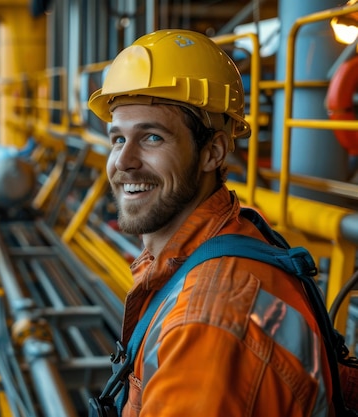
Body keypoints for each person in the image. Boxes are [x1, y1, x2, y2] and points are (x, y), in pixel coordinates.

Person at [87, 29, 335, 417]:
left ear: (212, 152)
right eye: (118, 139)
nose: (123, 161)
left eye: (151, 137)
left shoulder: (205, 327)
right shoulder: (233, 235)